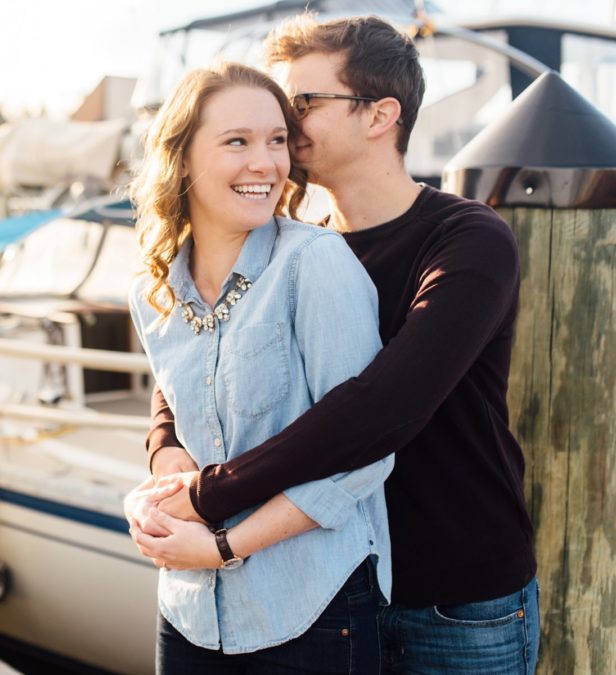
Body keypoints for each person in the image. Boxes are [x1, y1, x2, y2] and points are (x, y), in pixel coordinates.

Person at [136, 14, 541, 674]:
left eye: (304, 103)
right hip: (331, 581)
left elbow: (380, 409)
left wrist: (212, 500)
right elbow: (198, 353)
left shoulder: (467, 240)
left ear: (381, 115)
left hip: (456, 595)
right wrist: (165, 446)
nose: (285, 125)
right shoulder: (290, 244)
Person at [124, 60, 394, 674]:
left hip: (312, 603)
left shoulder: (315, 265)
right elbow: (182, 424)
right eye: (237, 142)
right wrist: (155, 495)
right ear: (183, 159)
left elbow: (363, 455)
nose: (265, 164)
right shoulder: (152, 291)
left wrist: (221, 547)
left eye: (276, 141)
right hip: (190, 608)